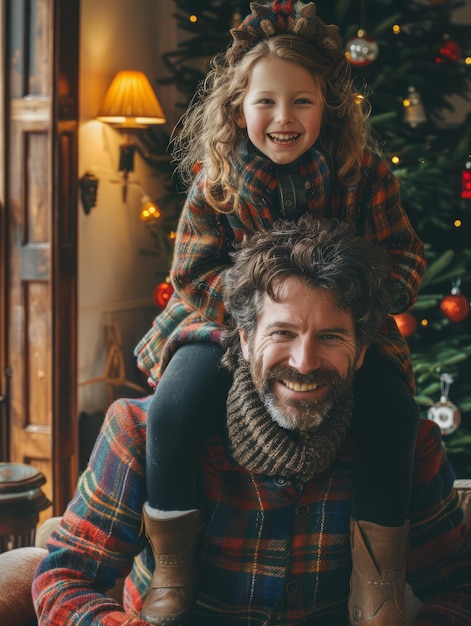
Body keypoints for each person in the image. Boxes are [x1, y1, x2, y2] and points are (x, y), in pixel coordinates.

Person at [133, 1, 426, 624]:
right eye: (266, 101)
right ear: (239, 108)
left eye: (303, 102)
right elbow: (191, 272)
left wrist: (362, 305)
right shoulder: (217, 178)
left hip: (343, 327)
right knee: (175, 407)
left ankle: (378, 584)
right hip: (221, 323)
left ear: (329, 107)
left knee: (394, 409)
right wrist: (247, 319)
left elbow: (404, 255)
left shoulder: (363, 173)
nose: (283, 118)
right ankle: (174, 569)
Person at [33, 217, 470, 626]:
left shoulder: (404, 446)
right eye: (282, 333)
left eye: (331, 337)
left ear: (359, 352)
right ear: (244, 340)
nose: (304, 362)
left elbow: (461, 588)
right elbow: (63, 580)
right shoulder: (139, 432)